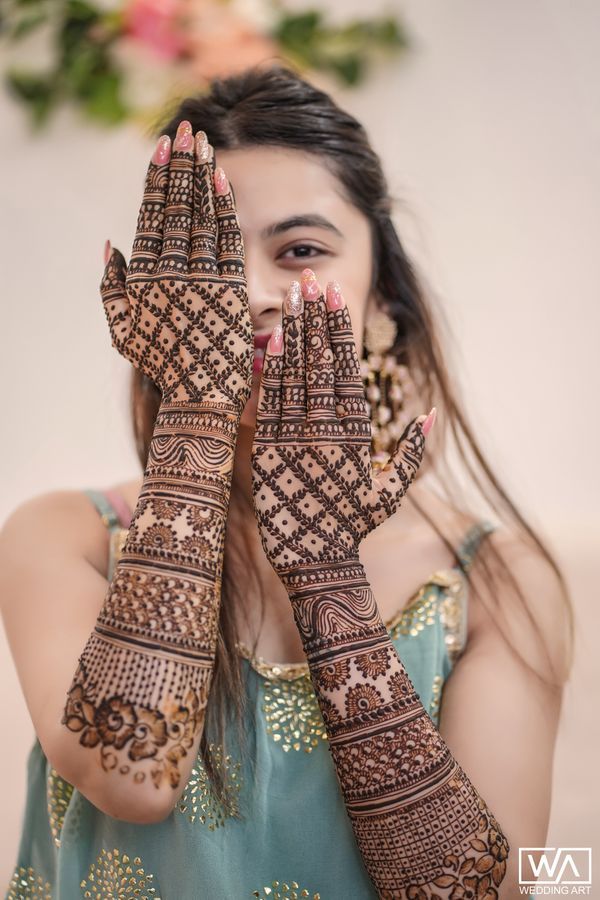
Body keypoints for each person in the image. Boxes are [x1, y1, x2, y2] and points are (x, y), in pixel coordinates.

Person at [1, 64, 572, 899]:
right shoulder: (65, 536)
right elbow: (130, 777)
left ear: (385, 303)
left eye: (300, 251)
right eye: (212, 261)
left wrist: (322, 565)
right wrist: (197, 407)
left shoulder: (497, 583)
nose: (253, 298)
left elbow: (482, 894)